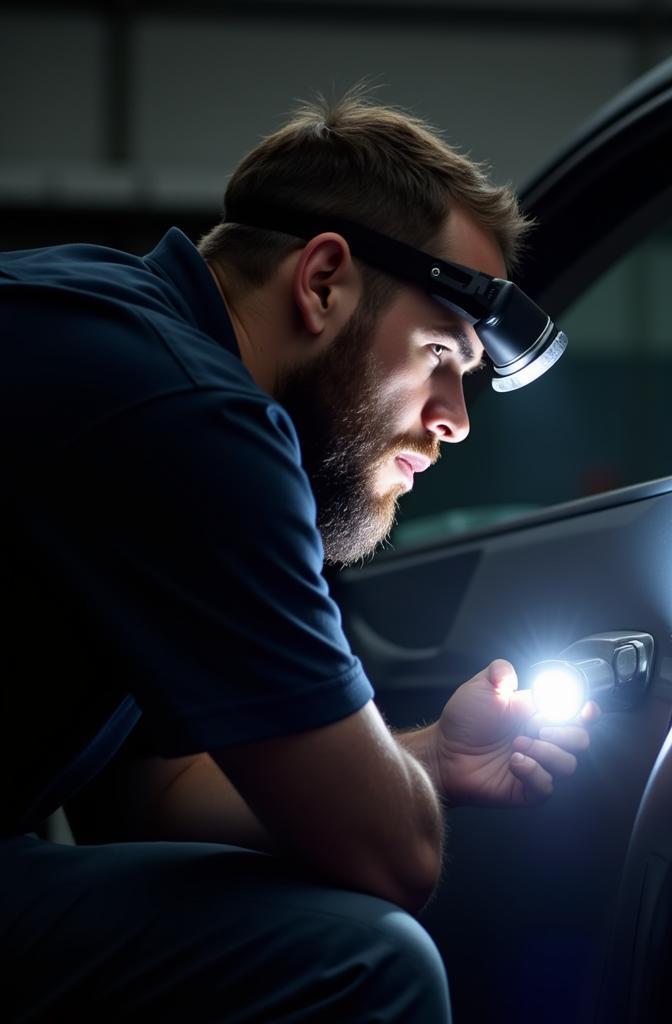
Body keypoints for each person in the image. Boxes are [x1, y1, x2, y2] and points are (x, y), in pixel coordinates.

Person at [0, 93, 598, 1022]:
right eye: (439, 350)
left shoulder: (118, 340)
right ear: (322, 282)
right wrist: (402, 799)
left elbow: (163, 792)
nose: (456, 420)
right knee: (364, 963)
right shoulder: (196, 422)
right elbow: (395, 857)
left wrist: (432, 757)